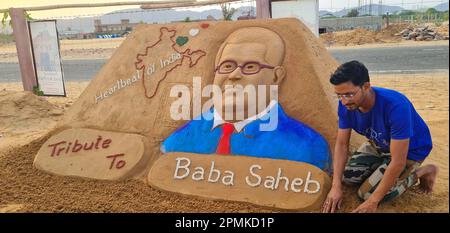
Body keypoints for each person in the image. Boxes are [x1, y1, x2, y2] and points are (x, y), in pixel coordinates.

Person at [161, 27, 332, 171]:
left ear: (276, 77)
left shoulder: (307, 147)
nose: (234, 75)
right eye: (227, 66)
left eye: (250, 67)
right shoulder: (178, 142)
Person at [323, 60, 438, 213]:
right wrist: (335, 186)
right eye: (339, 95)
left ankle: (424, 171)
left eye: (349, 94)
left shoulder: (396, 106)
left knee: (367, 194)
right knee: (345, 177)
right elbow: (342, 144)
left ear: (366, 86)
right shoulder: (346, 105)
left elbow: (398, 161)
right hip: (379, 144)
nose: (344, 101)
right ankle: (379, 170)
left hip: (411, 150)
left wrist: (373, 201)